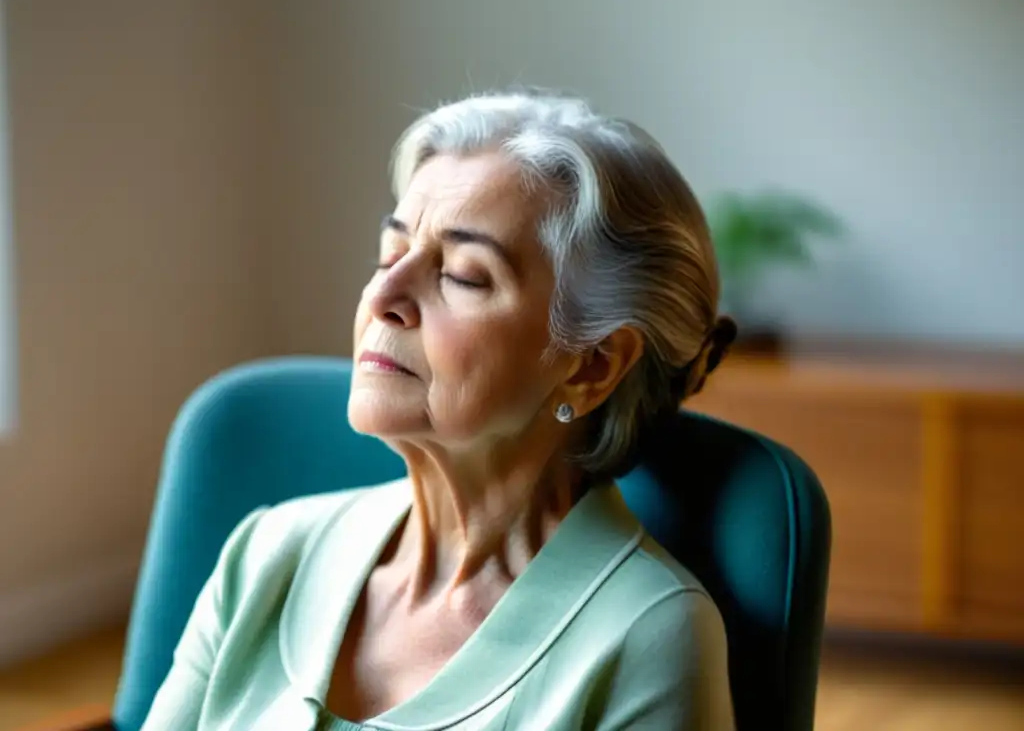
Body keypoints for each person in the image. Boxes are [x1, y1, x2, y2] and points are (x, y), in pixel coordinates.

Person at [142, 89, 737, 730]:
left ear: (591, 366)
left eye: (462, 274)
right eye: (390, 253)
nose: (382, 294)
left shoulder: (644, 637)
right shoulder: (268, 552)